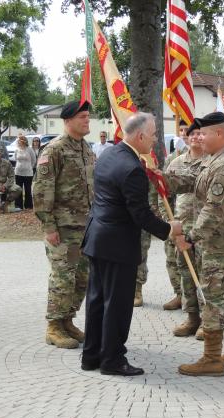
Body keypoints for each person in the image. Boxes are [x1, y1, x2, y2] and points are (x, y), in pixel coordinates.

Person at [81, 112, 187, 376]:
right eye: (152, 135)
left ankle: (91, 355)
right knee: (116, 305)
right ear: (140, 136)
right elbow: (140, 215)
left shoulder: (108, 155)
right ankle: (113, 360)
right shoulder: (132, 168)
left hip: (97, 239)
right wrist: (170, 230)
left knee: (97, 300)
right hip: (117, 245)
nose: (154, 141)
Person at [170, 112, 224, 377]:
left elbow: (213, 211)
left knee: (213, 298)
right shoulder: (217, 159)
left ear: (219, 134)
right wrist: (162, 178)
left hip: (222, 246)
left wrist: (191, 237)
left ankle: (211, 359)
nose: (199, 137)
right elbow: (194, 180)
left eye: (204, 134)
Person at [33, 100, 95, 350]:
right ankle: (54, 327)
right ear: (68, 120)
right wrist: (49, 227)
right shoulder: (54, 150)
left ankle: (67, 320)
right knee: (63, 278)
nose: (87, 120)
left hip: (85, 227)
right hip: (63, 229)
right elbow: (41, 191)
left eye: (88, 116)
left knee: (82, 278)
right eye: (82, 117)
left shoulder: (86, 148)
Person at [163, 122, 205, 338]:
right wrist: (168, 222)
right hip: (182, 227)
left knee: (206, 274)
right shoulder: (176, 162)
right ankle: (191, 318)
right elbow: (164, 195)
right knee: (186, 273)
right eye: (192, 134)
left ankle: (208, 322)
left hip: (206, 229)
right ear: (186, 137)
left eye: (200, 133)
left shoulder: (212, 161)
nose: (196, 137)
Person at [159, 120, 190, 311]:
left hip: (193, 220)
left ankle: (193, 300)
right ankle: (179, 293)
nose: (185, 134)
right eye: (181, 130)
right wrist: (167, 219)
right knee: (172, 258)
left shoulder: (203, 158)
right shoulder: (172, 159)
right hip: (174, 217)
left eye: (188, 130)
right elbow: (162, 191)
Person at [13, 134, 36, 210]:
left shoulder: (29, 149)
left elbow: (34, 160)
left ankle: (28, 205)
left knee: (28, 189)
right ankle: (18, 205)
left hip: (28, 173)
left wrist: (29, 167)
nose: (21, 141)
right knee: (18, 189)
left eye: (22, 140)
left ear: (25, 141)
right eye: (19, 140)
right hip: (18, 172)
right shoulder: (16, 150)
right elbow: (16, 159)